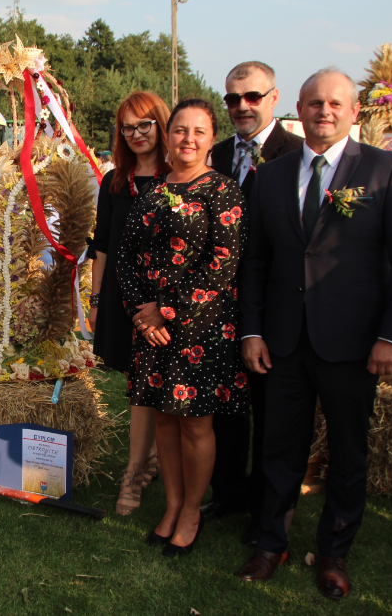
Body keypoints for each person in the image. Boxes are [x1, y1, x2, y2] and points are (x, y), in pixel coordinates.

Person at [236, 69, 392, 600]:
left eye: (335, 103)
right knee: (278, 449)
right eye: (315, 103)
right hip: (283, 342)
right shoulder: (271, 176)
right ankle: (271, 543)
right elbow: (255, 261)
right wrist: (251, 331)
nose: (325, 111)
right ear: (299, 106)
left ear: (354, 110)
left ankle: (335, 552)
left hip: (353, 343)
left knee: (347, 452)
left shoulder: (386, 170)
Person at [117, 98, 249, 556]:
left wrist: (165, 311)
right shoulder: (151, 191)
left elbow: (222, 266)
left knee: (194, 425)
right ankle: (171, 506)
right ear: (168, 136)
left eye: (198, 131)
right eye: (179, 130)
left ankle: (193, 510)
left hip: (200, 329)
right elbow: (126, 257)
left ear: (212, 139)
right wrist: (141, 310)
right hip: (150, 329)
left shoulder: (223, 191)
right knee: (165, 422)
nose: (187, 139)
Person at [204, 61, 304, 543]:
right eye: (232, 98)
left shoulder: (299, 155)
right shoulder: (215, 155)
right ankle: (228, 491)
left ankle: (268, 505)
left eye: (252, 97)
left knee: (270, 410)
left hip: (272, 303)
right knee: (224, 405)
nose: (242, 106)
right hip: (216, 304)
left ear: (274, 98)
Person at [89, 91, 171, 515]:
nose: (137, 134)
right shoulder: (114, 180)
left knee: (149, 382)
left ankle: (135, 472)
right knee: (137, 381)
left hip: (164, 302)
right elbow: (102, 244)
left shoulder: (177, 177)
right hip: (122, 296)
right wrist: (97, 298)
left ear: (161, 123)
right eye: (128, 127)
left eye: (145, 125)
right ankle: (147, 460)